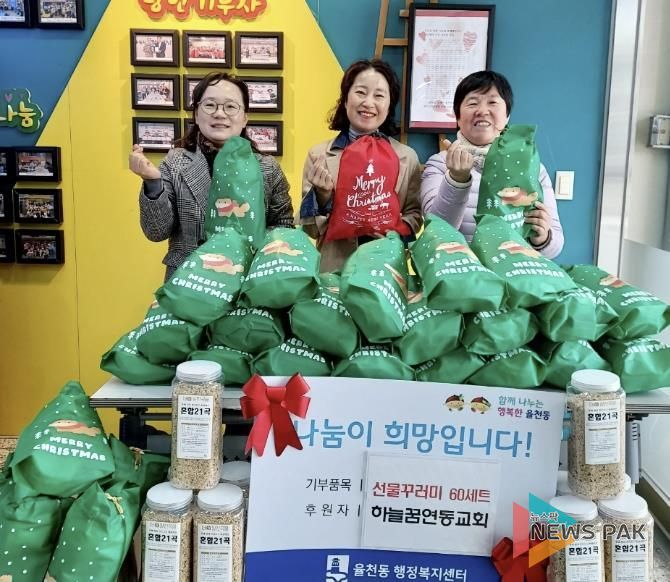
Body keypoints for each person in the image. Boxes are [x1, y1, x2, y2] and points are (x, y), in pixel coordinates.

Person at [129, 72, 294, 280]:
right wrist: (152, 182)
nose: (220, 113)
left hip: (248, 281)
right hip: (188, 282)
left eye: (230, 106)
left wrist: (253, 249)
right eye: (210, 105)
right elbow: (156, 231)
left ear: (245, 118)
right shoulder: (175, 163)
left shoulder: (267, 168)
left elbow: (284, 227)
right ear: (196, 114)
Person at [420, 70, 564, 258]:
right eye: (472, 103)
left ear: (507, 116)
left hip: (512, 268)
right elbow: (436, 232)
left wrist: (543, 237)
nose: (482, 111)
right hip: (459, 268)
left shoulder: (531, 167)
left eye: (492, 102)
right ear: (458, 117)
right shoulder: (439, 164)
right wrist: (457, 180)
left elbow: (555, 246)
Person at [300, 59, 423, 272]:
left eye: (379, 95)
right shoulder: (319, 155)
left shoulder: (407, 157)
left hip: (387, 270)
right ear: (345, 99)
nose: (368, 102)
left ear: (389, 105)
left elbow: (414, 214)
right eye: (360, 92)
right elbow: (310, 230)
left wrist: (394, 233)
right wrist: (322, 197)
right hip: (335, 270)